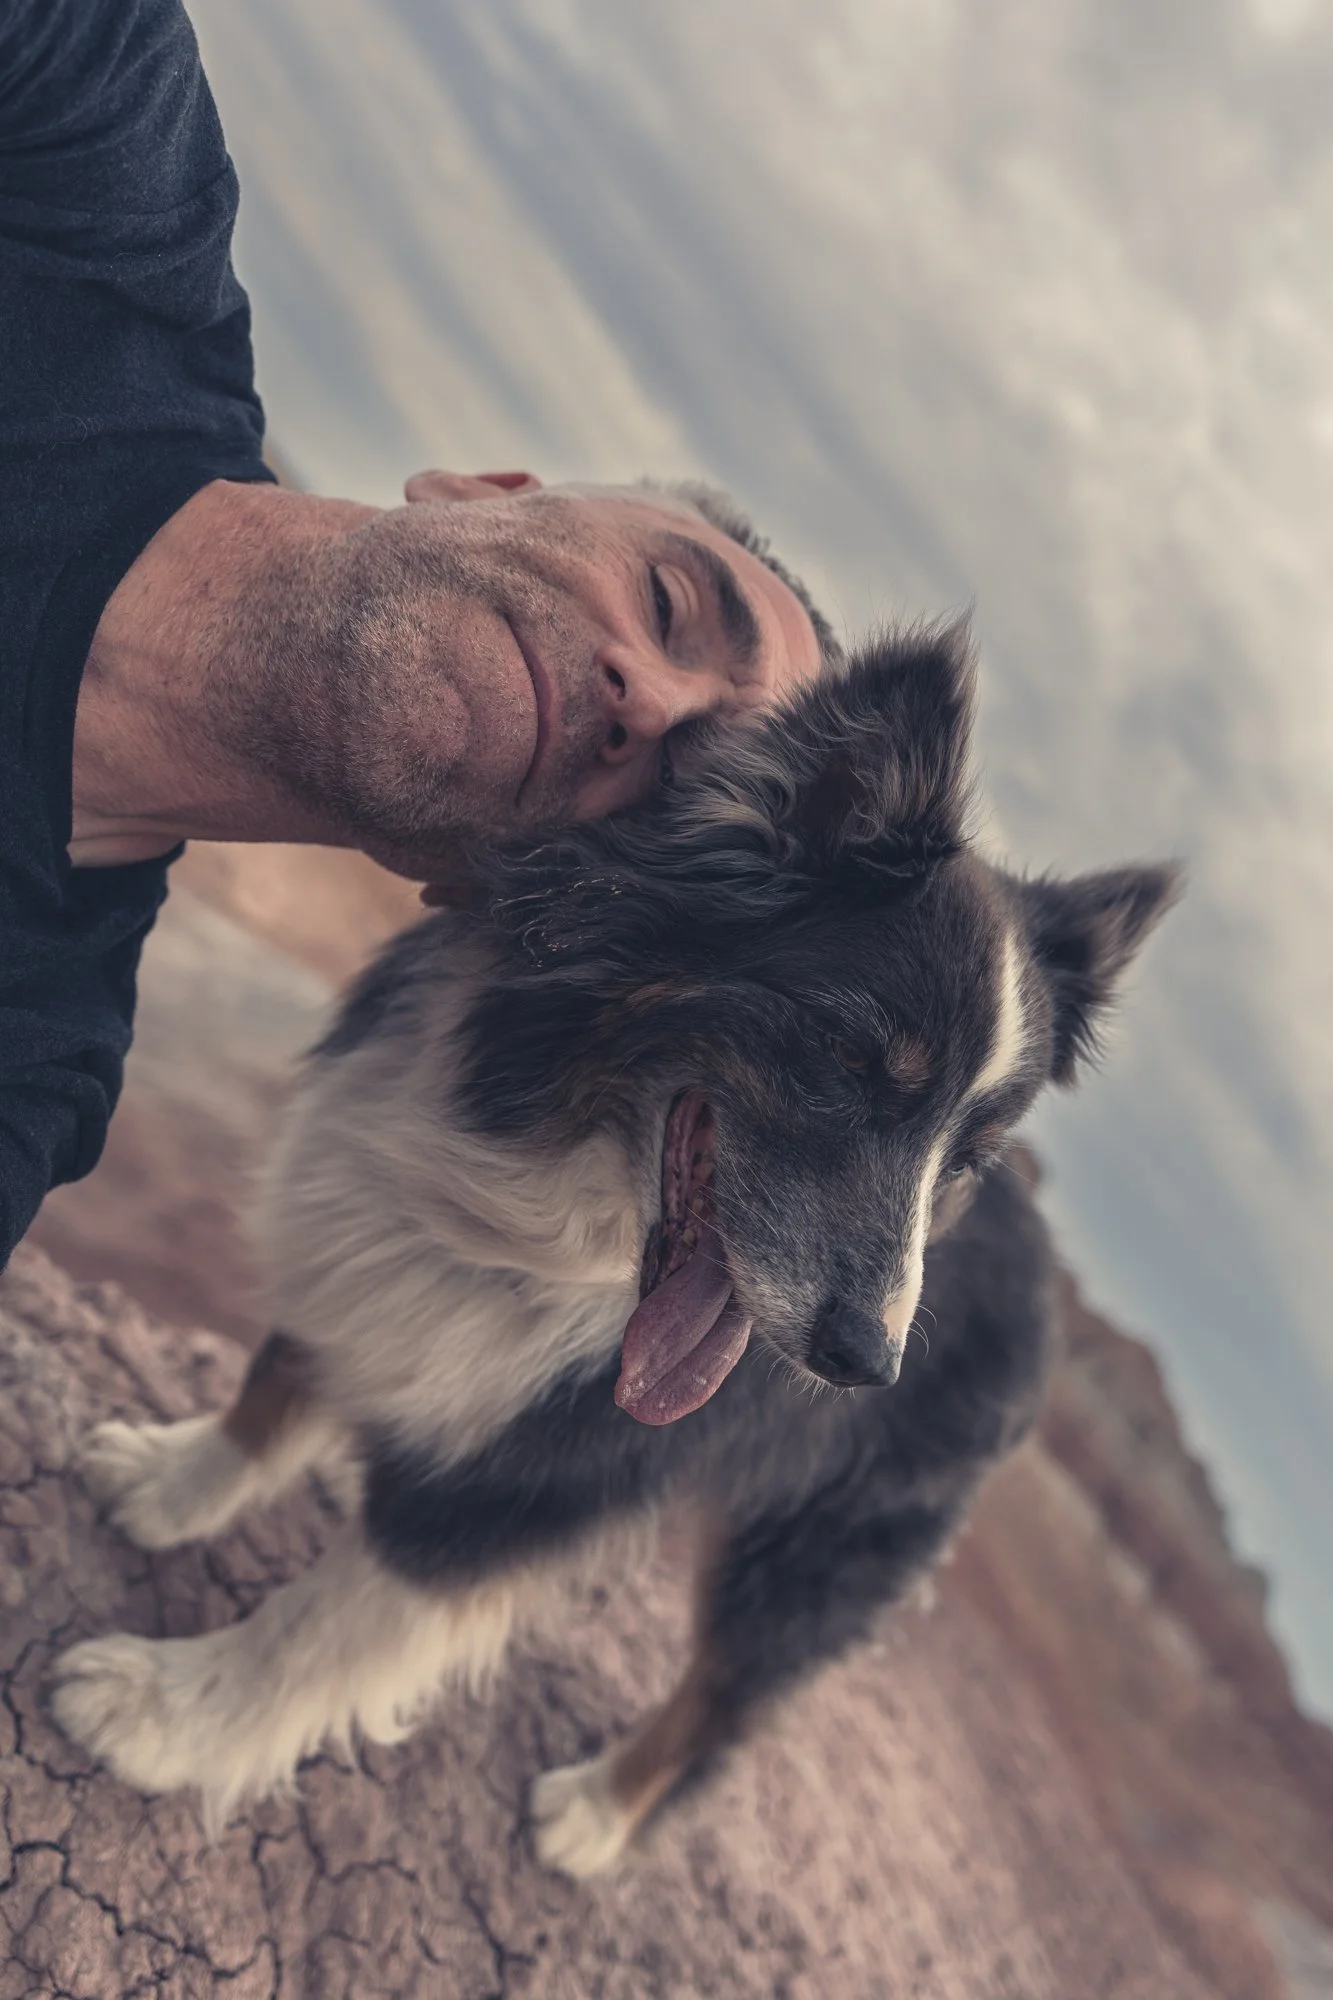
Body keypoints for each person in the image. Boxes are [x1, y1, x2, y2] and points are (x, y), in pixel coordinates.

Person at [0, 0, 835, 1270]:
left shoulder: (30, 1062)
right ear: (480, 489)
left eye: (686, 781)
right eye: (668, 604)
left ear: (483, 903)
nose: (650, 701)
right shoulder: (99, 166)